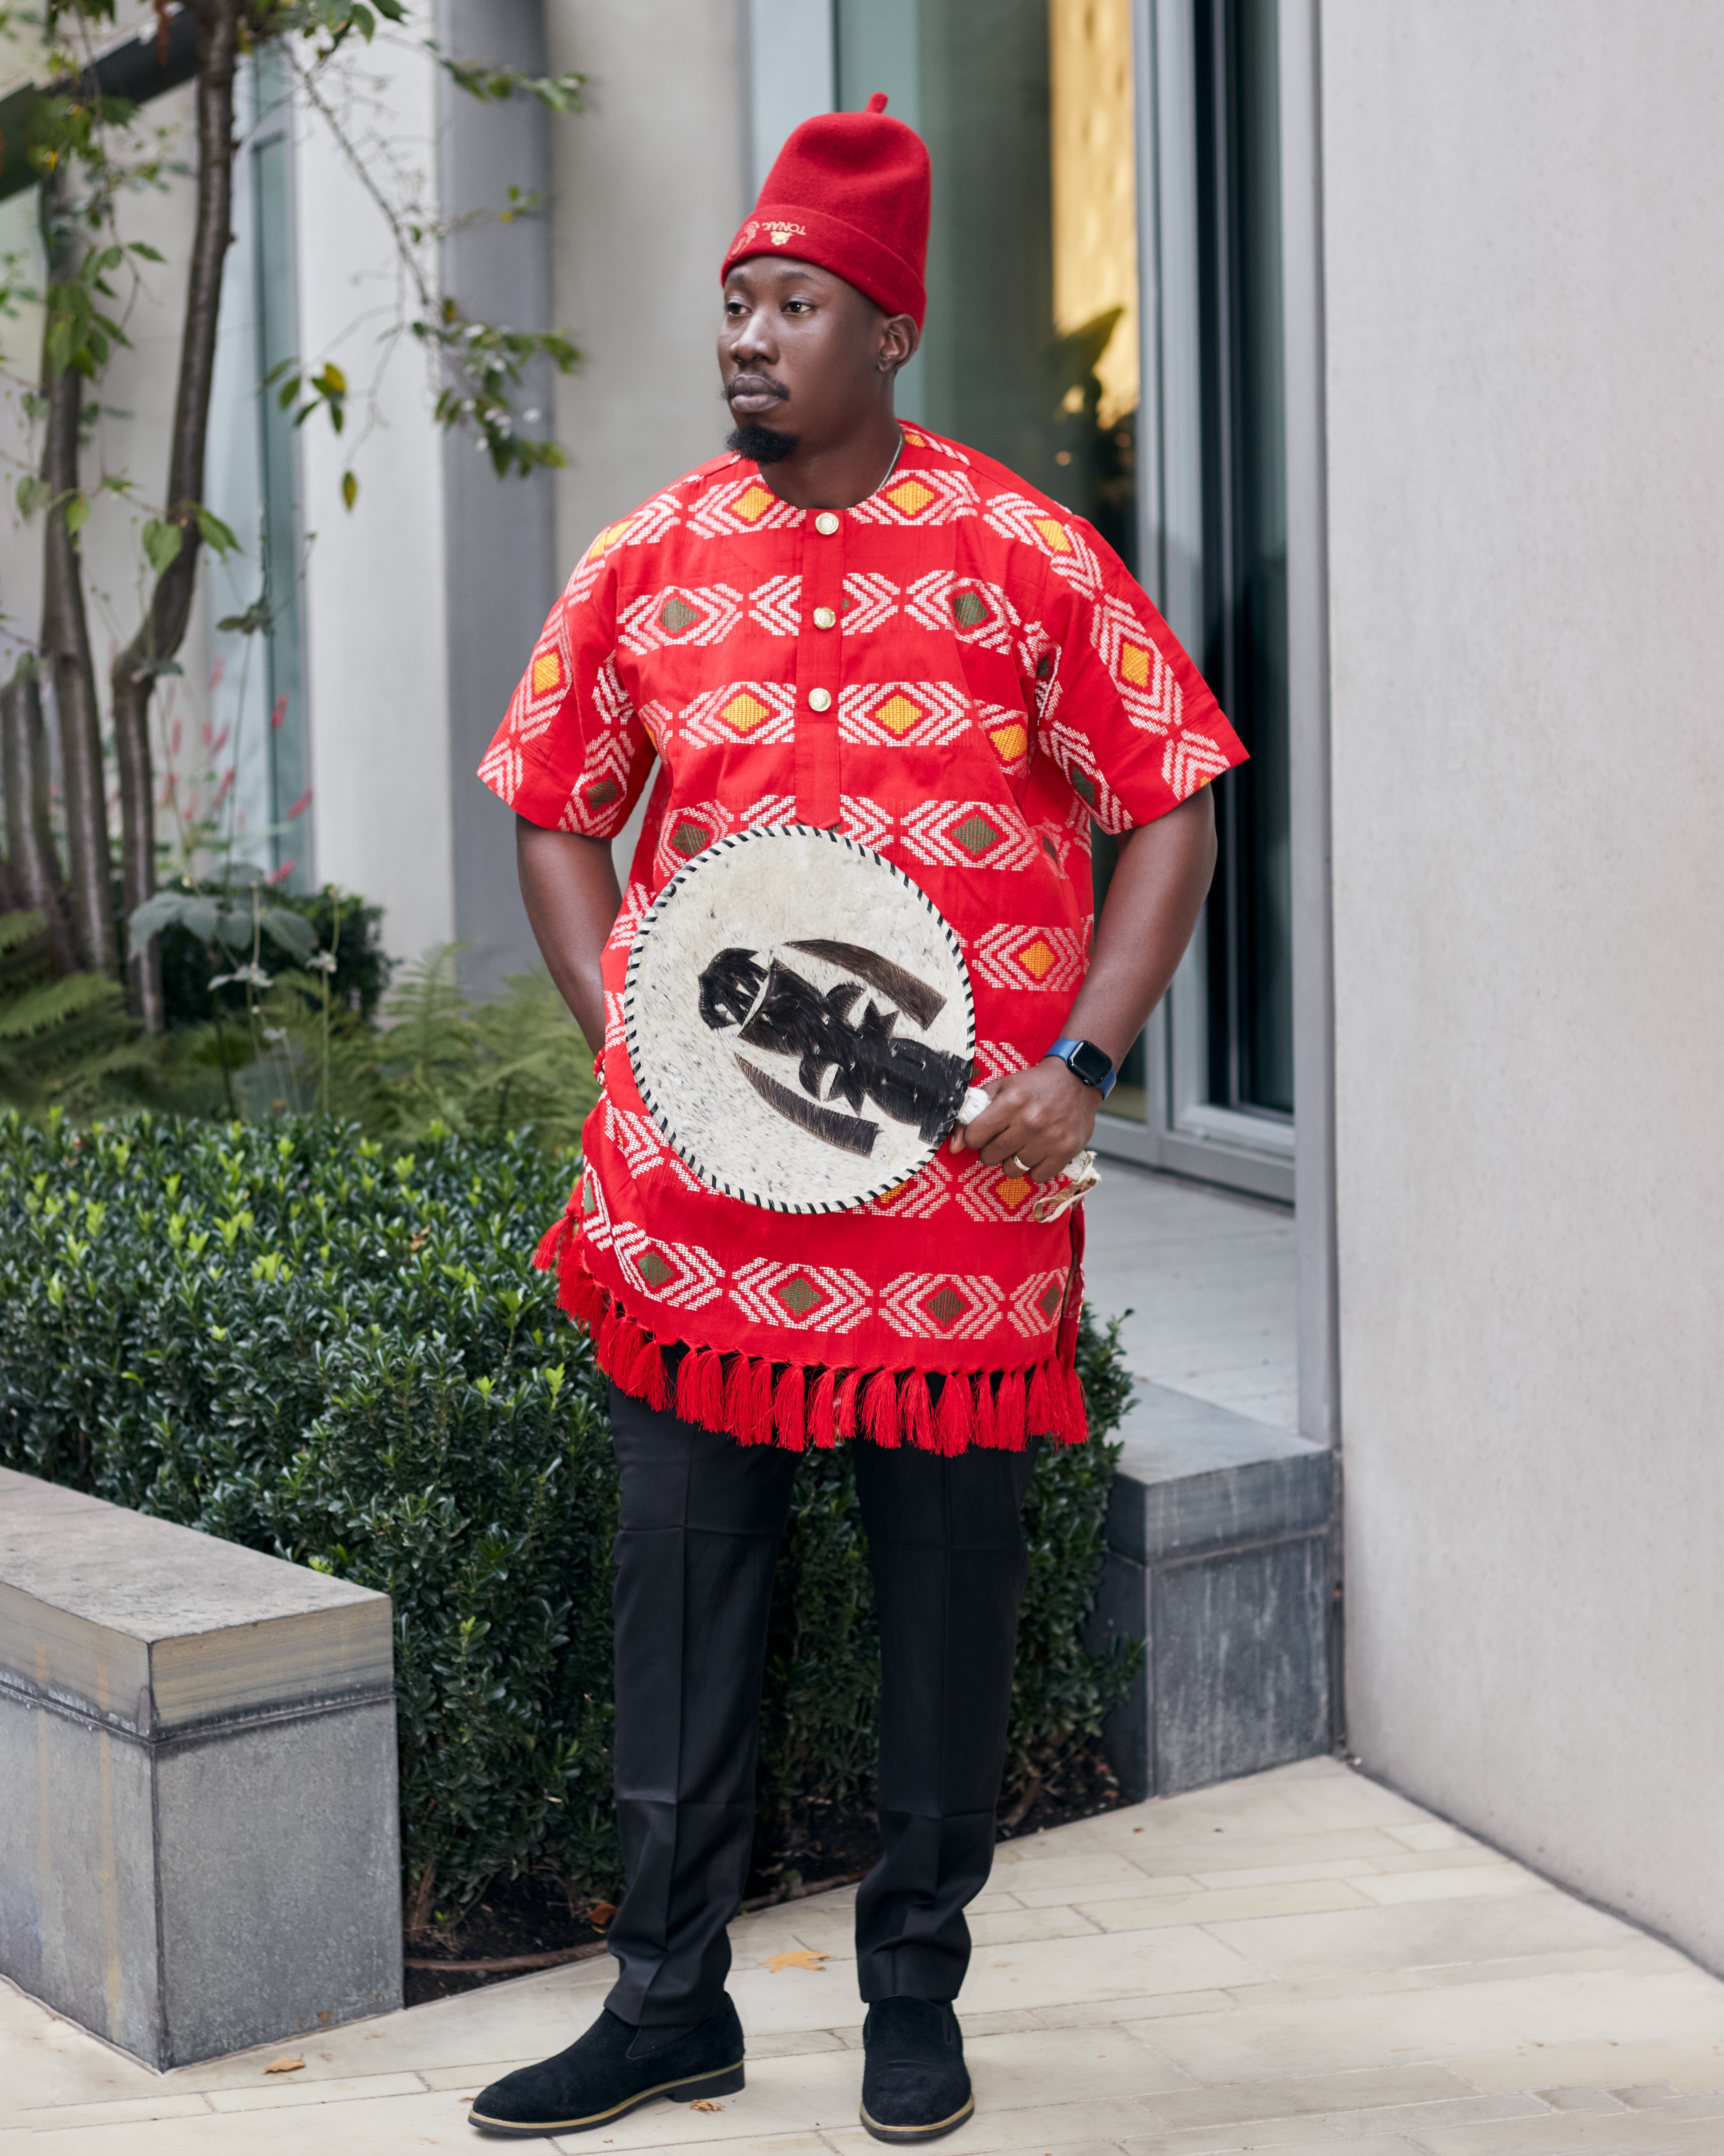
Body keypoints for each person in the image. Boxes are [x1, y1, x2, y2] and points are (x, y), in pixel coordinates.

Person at [466, 95, 1245, 2145]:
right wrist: (631, 1022)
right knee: (684, 1588)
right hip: (698, 1209)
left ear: (888, 329)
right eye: (736, 302)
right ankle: (667, 2001)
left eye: (794, 303)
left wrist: (1084, 1065)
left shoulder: (1025, 557)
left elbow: (1175, 795)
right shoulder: (646, 562)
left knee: (943, 1602)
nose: (750, 337)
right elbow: (553, 804)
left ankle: (918, 1991)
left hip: (957, 1199)